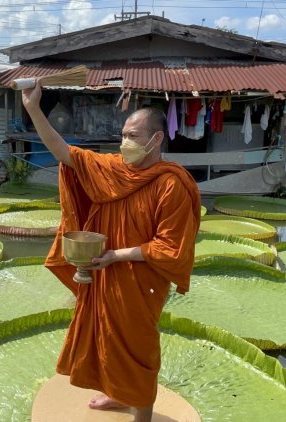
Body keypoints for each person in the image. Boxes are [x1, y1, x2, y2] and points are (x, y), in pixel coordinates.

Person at [22, 80, 201, 422]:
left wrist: (117, 256)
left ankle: (142, 415)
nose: (125, 142)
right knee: (104, 337)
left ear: (156, 139)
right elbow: (64, 152)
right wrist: (33, 107)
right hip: (105, 272)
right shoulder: (112, 171)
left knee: (138, 348)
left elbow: (171, 247)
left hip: (139, 279)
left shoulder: (170, 185)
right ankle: (116, 395)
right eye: (124, 134)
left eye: (134, 136)